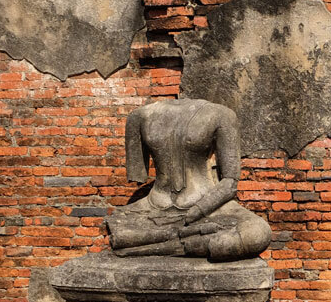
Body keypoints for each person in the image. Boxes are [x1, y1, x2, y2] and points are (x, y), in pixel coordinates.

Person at [106, 99, 271, 262]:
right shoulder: (138, 116)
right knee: (117, 222)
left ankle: (172, 244)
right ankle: (187, 240)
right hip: (154, 205)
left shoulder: (221, 115)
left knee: (258, 233)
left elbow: (230, 183)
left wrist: (197, 211)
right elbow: (138, 175)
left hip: (207, 205)